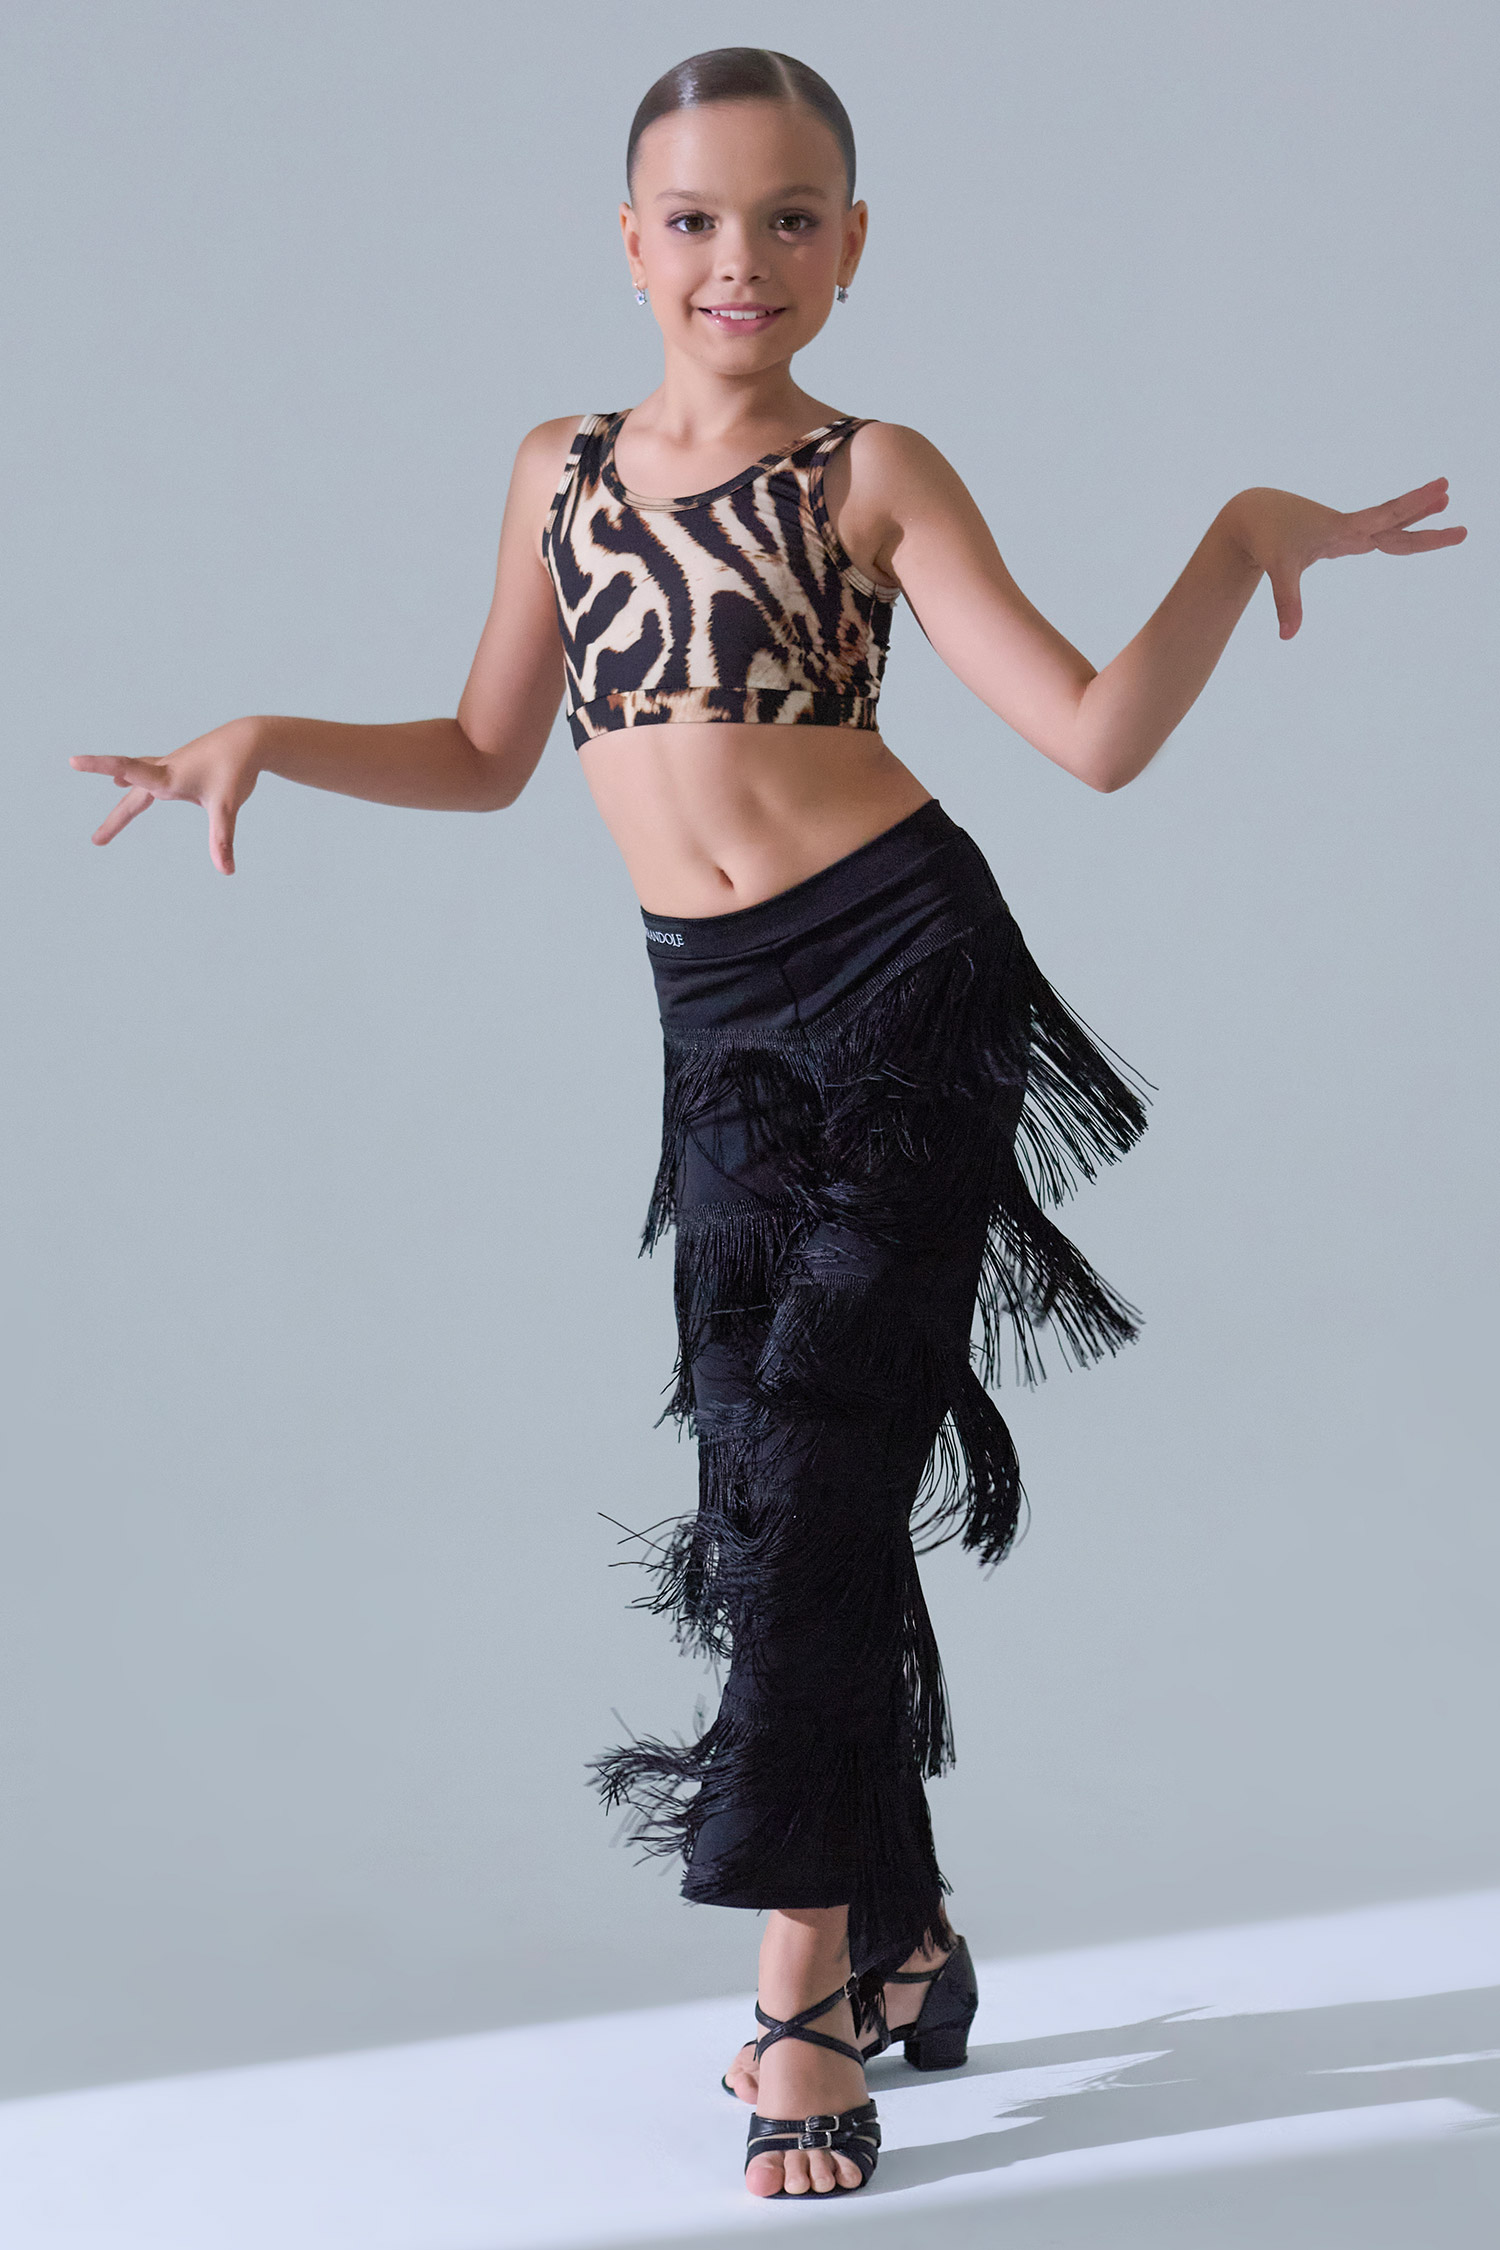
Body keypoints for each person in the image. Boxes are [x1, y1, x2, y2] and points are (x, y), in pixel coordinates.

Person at [71, 45, 1465, 2203]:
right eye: (700, 218)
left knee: (820, 1472)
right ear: (630, 243)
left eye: (793, 216)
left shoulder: (869, 471)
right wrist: (266, 734)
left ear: (854, 245)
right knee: (767, 1500)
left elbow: (1094, 735)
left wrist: (1234, 542)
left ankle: (801, 2002)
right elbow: (485, 751)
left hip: (907, 987)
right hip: (715, 1033)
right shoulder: (555, 472)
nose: (745, 256)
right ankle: (903, 1919)